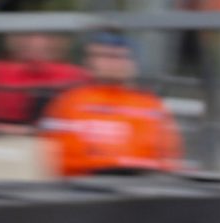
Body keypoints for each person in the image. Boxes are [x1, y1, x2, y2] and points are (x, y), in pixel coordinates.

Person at [40, 32, 182, 177]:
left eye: (119, 57)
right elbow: (52, 157)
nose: (111, 63)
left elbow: (168, 157)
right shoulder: (68, 102)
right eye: (102, 56)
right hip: (82, 186)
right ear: (89, 61)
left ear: (134, 63)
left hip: (140, 185)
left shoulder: (151, 105)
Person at [0, 32, 89, 132]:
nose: (36, 42)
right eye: (27, 35)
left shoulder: (75, 75)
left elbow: (76, 123)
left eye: (48, 36)